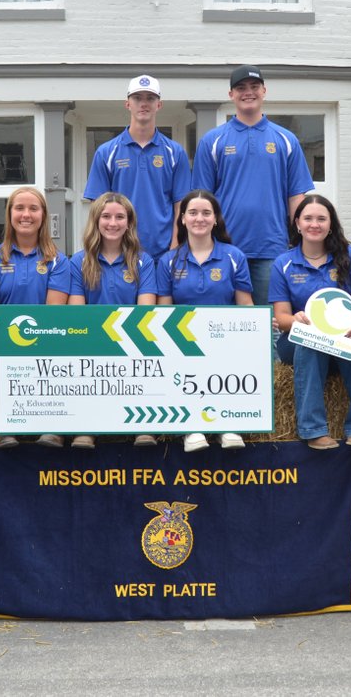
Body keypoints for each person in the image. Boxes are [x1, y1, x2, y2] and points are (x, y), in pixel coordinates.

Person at [192, 65, 314, 306]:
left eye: (254, 87)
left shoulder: (286, 140)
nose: (248, 92)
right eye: (240, 88)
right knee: (223, 322)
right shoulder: (212, 141)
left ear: (264, 91)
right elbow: (202, 200)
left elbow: (296, 197)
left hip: (273, 248)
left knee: (272, 325)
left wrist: (298, 240)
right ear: (231, 95)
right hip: (222, 248)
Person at [269, 194, 351, 450]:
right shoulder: (283, 264)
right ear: (297, 224)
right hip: (296, 341)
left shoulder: (350, 256)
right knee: (310, 342)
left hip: (340, 336)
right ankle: (313, 429)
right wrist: (294, 320)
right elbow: (281, 318)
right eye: (308, 218)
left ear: (331, 224)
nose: (314, 224)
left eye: (321, 218)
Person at [0, 187, 71, 448]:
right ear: (10, 214)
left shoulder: (58, 261)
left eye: (33, 209)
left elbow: (55, 311)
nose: (26, 215)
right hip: (4, 335)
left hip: (43, 334)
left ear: (43, 215)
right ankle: (1, 427)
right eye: (19, 208)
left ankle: (52, 427)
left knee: (57, 337)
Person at [157, 189, 252, 452]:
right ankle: (191, 426)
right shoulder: (167, 261)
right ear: (183, 219)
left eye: (206, 213)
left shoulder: (234, 256)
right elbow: (164, 311)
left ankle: (227, 425)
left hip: (225, 339)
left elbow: (245, 305)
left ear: (216, 219)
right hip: (183, 340)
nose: (200, 218)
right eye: (193, 212)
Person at [68, 193, 158, 449]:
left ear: (129, 223)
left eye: (120, 217)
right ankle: (87, 427)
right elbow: (76, 313)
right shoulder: (79, 261)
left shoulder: (143, 261)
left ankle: (143, 425)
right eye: (106, 216)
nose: (113, 223)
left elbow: (146, 312)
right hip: (91, 340)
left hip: (132, 340)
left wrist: (123, 337)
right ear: (96, 221)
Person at [84, 75, 190, 258]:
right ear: (128, 104)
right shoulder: (106, 152)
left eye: (150, 98)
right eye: (137, 98)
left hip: (163, 254)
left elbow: (180, 205)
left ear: (159, 105)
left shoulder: (175, 152)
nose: (144, 103)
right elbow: (98, 207)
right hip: (120, 254)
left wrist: (175, 246)